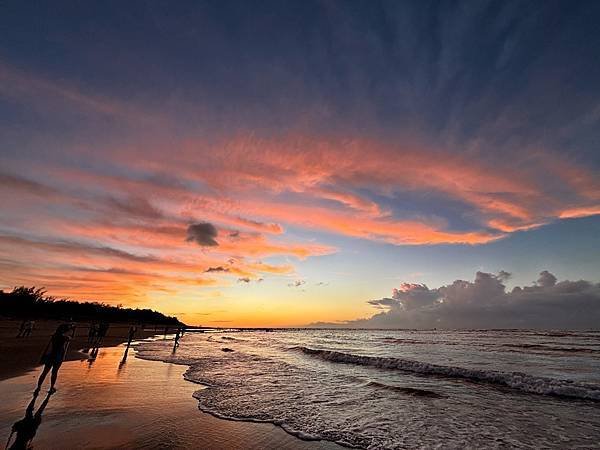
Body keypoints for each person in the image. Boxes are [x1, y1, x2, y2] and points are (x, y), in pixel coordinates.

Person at [35, 324, 73, 395]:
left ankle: (38, 387)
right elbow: (70, 338)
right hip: (58, 357)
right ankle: (51, 387)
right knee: (54, 372)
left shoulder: (54, 336)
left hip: (51, 355)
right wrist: (73, 330)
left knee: (44, 372)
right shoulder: (64, 337)